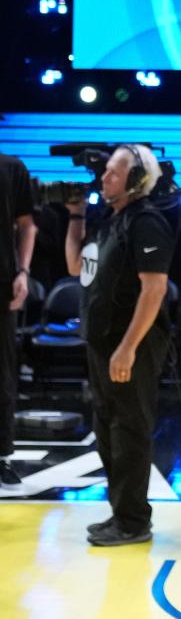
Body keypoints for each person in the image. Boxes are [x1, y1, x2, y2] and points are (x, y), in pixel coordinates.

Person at [65, 145, 175, 546]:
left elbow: (155, 289)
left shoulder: (146, 222)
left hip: (132, 343)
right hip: (101, 340)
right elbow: (76, 266)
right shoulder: (109, 219)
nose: (104, 177)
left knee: (129, 429)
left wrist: (128, 347)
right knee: (107, 428)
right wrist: (76, 216)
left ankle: (133, 521)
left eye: (113, 172)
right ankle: (121, 513)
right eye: (106, 170)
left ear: (135, 180)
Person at [0, 152, 36, 491]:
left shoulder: (11, 168)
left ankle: (1, 456)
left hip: (2, 281)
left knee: (3, 372)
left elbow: (27, 225)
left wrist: (23, 271)